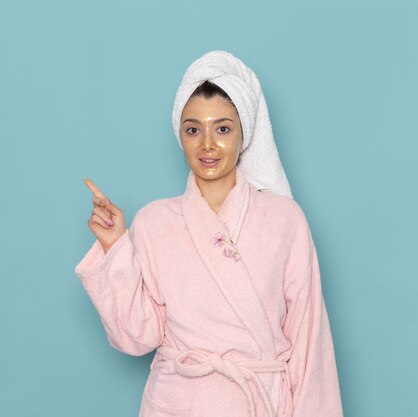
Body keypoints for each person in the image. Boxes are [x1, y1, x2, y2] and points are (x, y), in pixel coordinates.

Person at [74, 50, 343, 417]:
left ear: (243, 134)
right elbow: (137, 337)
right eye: (192, 129)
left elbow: (310, 344)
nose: (207, 144)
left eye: (222, 128)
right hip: (175, 404)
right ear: (180, 135)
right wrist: (114, 247)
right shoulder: (154, 221)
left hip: (258, 402)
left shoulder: (285, 220)